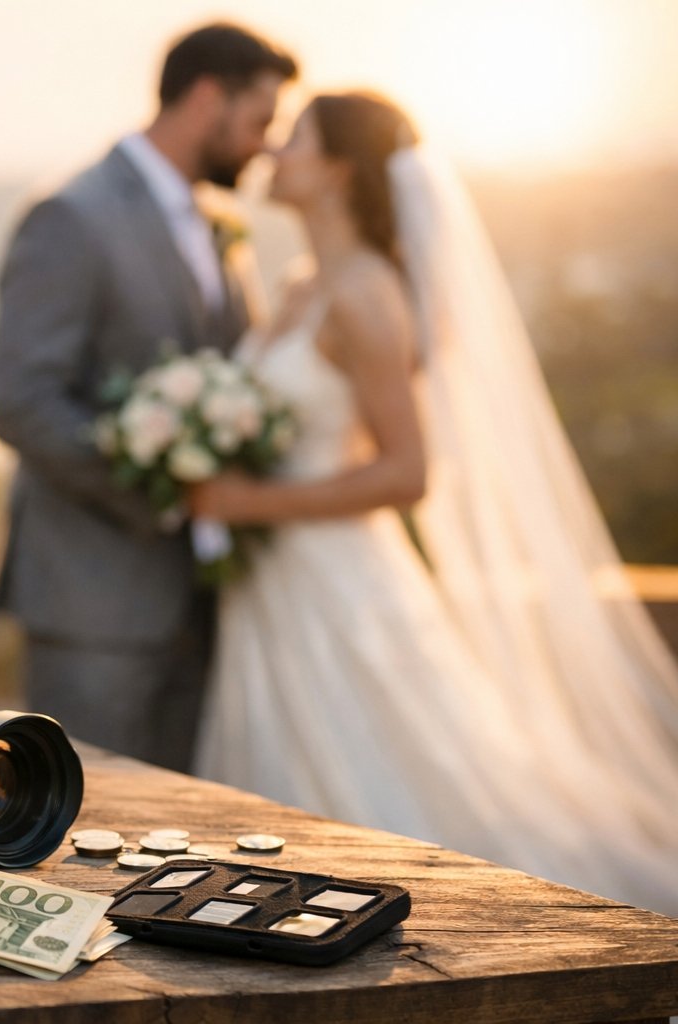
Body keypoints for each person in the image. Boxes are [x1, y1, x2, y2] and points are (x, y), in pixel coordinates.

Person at [190, 91, 678, 913]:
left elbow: (408, 473)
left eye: (295, 139)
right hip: (273, 587)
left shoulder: (367, 294)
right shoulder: (306, 282)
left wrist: (245, 501)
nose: (274, 153)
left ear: (339, 168)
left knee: (389, 784)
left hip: (340, 583)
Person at [0, 23, 297, 770]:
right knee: (89, 827)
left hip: (205, 598)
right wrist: (169, 492)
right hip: (96, 601)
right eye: (259, 121)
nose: (263, 145)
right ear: (205, 97)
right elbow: (23, 400)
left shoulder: (221, 224)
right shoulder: (72, 215)